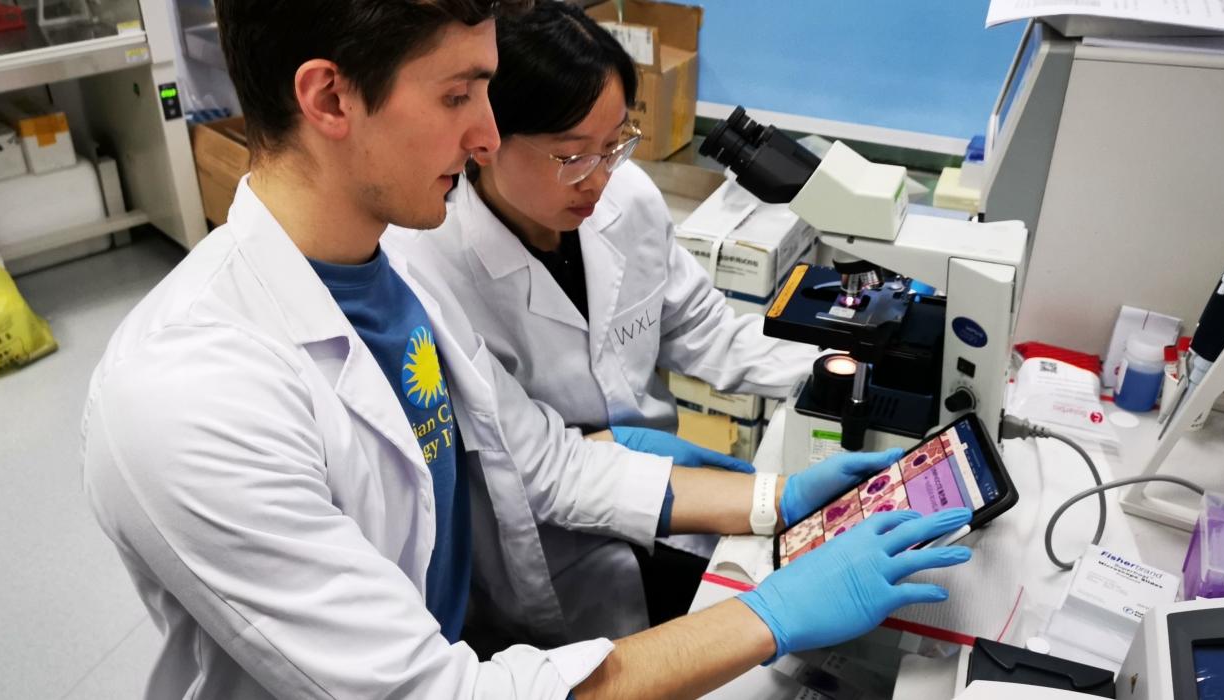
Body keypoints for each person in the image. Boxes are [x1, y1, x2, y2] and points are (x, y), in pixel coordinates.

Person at [80, 1, 974, 697]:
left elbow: (544, 462)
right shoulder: (189, 393)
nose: (484, 136)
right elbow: (436, 694)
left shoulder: (386, 271)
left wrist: (774, 499)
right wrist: (772, 617)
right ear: (329, 98)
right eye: (458, 96)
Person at [387, 0, 822, 639]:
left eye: (615, 143)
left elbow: (704, 329)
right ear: (485, 143)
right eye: (572, 156)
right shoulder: (432, 267)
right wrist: (766, 499)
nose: (600, 179)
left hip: (672, 502)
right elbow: (540, 470)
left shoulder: (628, 199)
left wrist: (839, 370)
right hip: (555, 546)